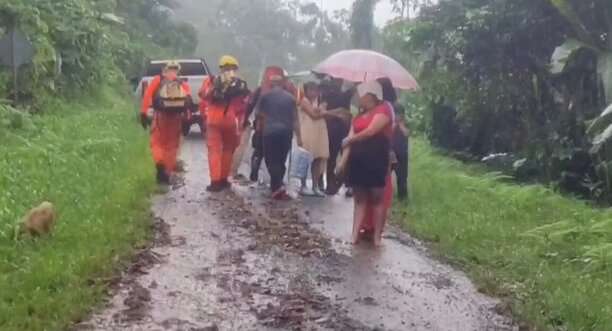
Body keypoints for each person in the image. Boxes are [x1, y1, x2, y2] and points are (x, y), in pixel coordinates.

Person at [341, 81, 393, 246]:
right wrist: (342, 161)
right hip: (358, 160)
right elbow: (349, 138)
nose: (357, 98)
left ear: (369, 95)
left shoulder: (383, 109)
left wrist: (350, 139)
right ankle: (354, 234)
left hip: (376, 159)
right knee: (359, 199)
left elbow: (370, 131)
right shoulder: (358, 116)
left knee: (376, 198)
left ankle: (377, 237)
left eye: (359, 94)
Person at [199, 55, 250, 192]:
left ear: (221, 68)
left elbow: (202, 95)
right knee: (228, 150)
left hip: (214, 119)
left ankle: (215, 181)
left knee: (214, 150)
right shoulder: (239, 83)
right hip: (230, 119)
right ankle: (223, 179)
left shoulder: (211, 81)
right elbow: (244, 104)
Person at [140, 61, 193, 185]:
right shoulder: (182, 83)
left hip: (160, 117)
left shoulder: (158, 80)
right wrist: (187, 119)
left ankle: (159, 164)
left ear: (165, 69)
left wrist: (143, 113)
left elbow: (147, 96)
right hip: (176, 119)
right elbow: (188, 102)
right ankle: (166, 174)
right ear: (178, 70)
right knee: (172, 146)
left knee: (157, 142)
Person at [257, 74, 301, 200]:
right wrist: (299, 137)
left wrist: (260, 130)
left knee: (271, 160)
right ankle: (277, 185)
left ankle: (276, 188)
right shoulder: (291, 98)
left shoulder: (265, 96)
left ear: (271, 85)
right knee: (281, 160)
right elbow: (295, 119)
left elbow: (259, 115)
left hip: (270, 132)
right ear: (283, 84)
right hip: (286, 132)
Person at [320, 78, 353, 195]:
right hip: (333, 130)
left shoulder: (346, 95)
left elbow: (347, 114)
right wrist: (338, 112)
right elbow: (323, 112)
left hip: (343, 129)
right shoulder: (327, 95)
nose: (338, 82)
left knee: (345, 157)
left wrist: (337, 113)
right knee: (332, 158)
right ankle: (332, 183)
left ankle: (343, 183)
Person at [298, 82, 329, 196]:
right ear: (306, 91)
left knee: (318, 159)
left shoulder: (320, 102)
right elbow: (313, 115)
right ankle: (303, 185)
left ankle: (315, 186)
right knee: (305, 159)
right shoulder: (304, 101)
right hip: (307, 131)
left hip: (319, 131)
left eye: (316, 90)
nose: (314, 93)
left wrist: (323, 109)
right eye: (311, 90)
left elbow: (321, 111)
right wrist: (325, 111)